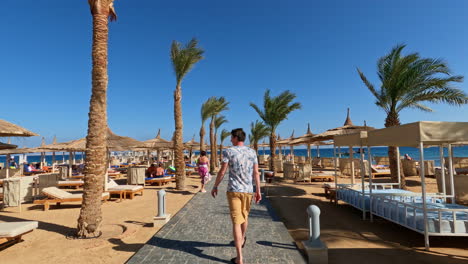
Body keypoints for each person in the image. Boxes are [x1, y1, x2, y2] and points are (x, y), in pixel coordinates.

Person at [211, 128, 261, 264]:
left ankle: (239, 258)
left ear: (235, 138)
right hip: (248, 190)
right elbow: (256, 173)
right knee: (244, 217)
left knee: (236, 222)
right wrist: (258, 191)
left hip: (234, 190)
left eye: (231, 137)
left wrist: (215, 186)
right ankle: (242, 239)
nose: (230, 140)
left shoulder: (229, 151)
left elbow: (222, 171)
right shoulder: (252, 152)